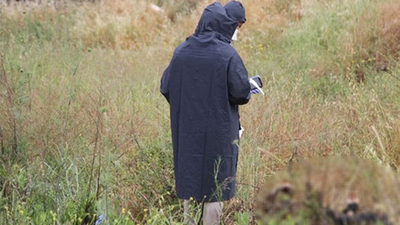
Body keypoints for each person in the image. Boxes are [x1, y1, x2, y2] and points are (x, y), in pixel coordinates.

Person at [160, 1, 250, 224]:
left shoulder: (181, 52)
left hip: (188, 129)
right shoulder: (228, 55)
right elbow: (241, 93)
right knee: (216, 180)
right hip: (218, 131)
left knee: (189, 174)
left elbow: (166, 86)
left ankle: (188, 221)